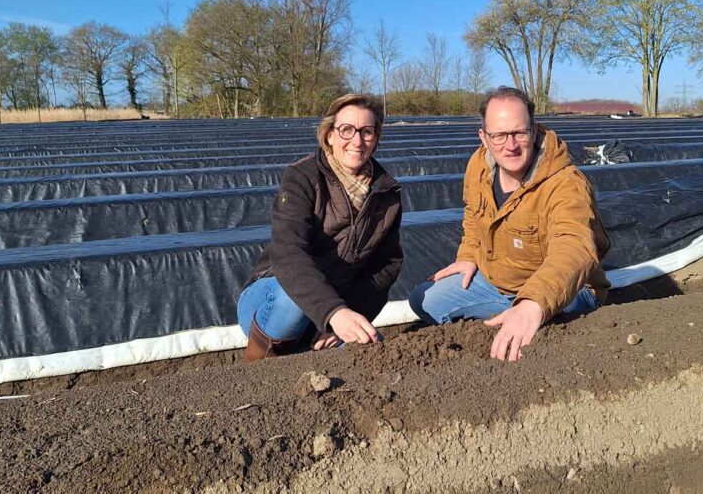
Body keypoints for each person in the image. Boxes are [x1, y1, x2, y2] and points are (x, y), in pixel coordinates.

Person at [409, 87, 610, 362]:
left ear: (534, 129)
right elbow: (472, 214)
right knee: (425, 299)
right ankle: (509, 317)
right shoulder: (479, 165)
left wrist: (532, 303)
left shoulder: (565, 183)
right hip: (497, 282)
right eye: (499, 135)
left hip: (566, 289)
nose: (510, 145)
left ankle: (523, 318)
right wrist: (468, 256)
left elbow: (574, 246)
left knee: (550, 319)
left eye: (519, 133)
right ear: (484, 136)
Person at [237, 93, 403, 361]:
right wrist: (333, 313)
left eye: (367, 132)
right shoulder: (303, 178)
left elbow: (385, 267)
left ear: (376, 137)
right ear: (329, 135)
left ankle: (304, 355)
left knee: (373, 349)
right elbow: (289, 254)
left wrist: (344, 318)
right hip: (273, 298)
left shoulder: (387, 194)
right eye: (346, 130)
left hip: (333, 305)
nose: (357, 141)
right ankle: (257, 369)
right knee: (291, 304)